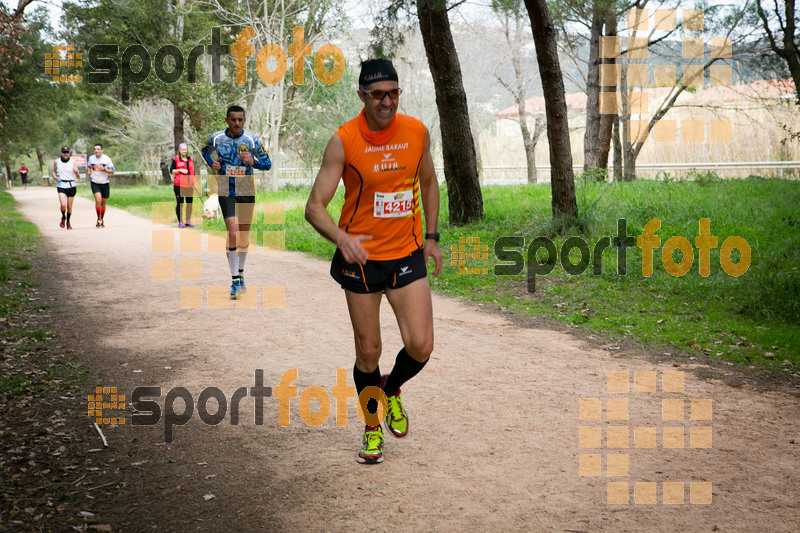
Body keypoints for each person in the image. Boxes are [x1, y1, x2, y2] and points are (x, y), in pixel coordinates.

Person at [305, 58, 443, 464]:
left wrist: (431, 237)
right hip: (361, 260)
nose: (387, 102)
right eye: (378, 94)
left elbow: (430, 183)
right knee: (368, 352)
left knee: (420, 345)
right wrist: (341, 238)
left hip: (405, 252)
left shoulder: (416, 131)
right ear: (362, 96)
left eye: (394, 93)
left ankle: (390, 388)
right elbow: (315, 207)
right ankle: (371, 426)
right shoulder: (344, 140)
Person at [202, 105, 271, 300]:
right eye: (233, 120)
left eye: (240, 120)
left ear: (244, 120)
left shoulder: (251, 140)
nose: (237, 123)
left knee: (243, 236)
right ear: (227, 120)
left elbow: (267, 164)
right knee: (232, 233)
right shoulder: (216, 138)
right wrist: (212, 163)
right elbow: (204, 151)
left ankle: (241, 273)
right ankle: (234, 281)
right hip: (226, 187)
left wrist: (253, 162)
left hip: (246, 187)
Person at [87, 143, 115, 228]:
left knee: (103, 202)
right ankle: (98, 219)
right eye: (95, 149)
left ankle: (102, 219)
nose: (96, 151)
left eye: (98, 149)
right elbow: (89, 167)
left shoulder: (106, 159)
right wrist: (88, 171)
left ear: (101, 150)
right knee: (98, 200)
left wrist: (104, 169)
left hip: (105, 182)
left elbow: (112, 171)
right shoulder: (91, 158)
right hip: (95, 182)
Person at [52, 146, 80, 229]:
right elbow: (53, 172)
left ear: (69, 153)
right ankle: (63, 217)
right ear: (61, 153)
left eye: (67, 152)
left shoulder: (73, 162)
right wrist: (55, 177)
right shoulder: (57, 161)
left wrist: (77, 172)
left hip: (71, 185)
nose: (65, 154)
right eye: (64, 152)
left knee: (69, 206)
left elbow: (78, 177)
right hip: (61, 185)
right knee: (63, 205)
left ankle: (68, 222)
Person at [170, 143, 196, 228]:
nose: (184, 151)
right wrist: (180, 170)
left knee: (189, 203)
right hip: (179, 184)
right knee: (180, 203)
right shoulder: (175, 160)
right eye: (182, 149)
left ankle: (188, 221)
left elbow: (193, 173)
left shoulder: (190, 160)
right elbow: (172, 171)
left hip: (189, 185)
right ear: (179, 150)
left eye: (185, 149)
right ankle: (180, 222)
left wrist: (193, 183)